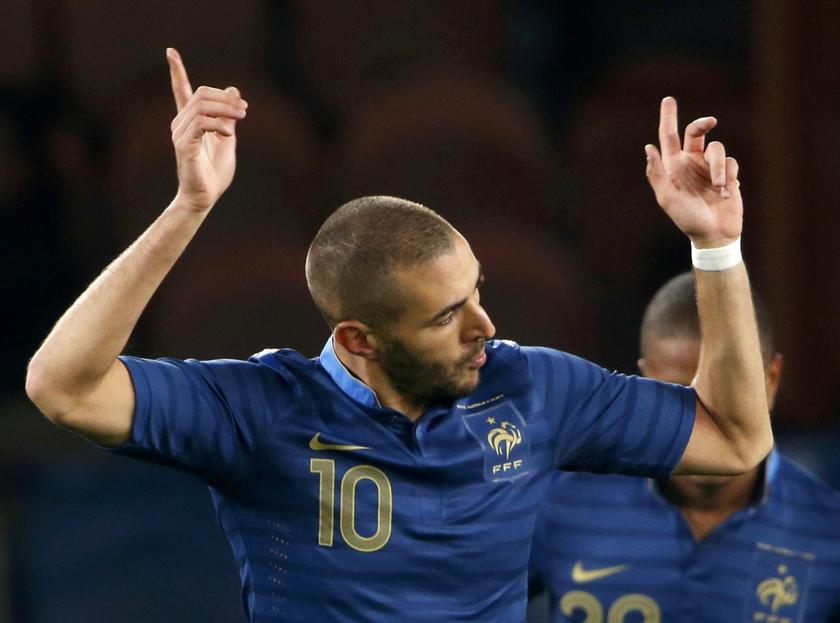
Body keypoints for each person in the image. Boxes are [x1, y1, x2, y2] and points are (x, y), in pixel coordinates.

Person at [26, 48, 772, 622]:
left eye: (476, 291)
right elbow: (62, 385)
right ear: (359, 340)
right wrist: (188, 207)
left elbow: (736, 439)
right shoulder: (261, 410)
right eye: (447, 315)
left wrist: (715, 246)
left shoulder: (534, 389)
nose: (484, 325)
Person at [528, 272, 840, 623]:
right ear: (644, 385)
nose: (708, 423)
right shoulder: (557, 503)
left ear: (771, 379)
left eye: (728, 393)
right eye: (679, 394)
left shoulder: (830, 531)